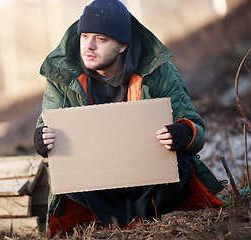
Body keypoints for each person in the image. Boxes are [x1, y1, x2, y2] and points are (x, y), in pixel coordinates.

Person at [33, 0, 225, 237]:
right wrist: (42, 140)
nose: (89, 46)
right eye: (84, 36)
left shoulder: (158, 71)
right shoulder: (62, 75)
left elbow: (195, 127)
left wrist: (182, 133)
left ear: (122, 45)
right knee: (64, 169)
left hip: (147, 179)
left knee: (182, 161)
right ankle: (119, 220)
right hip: (98, 178)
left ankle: (143, 216)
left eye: (100, 39)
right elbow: (47, 125)